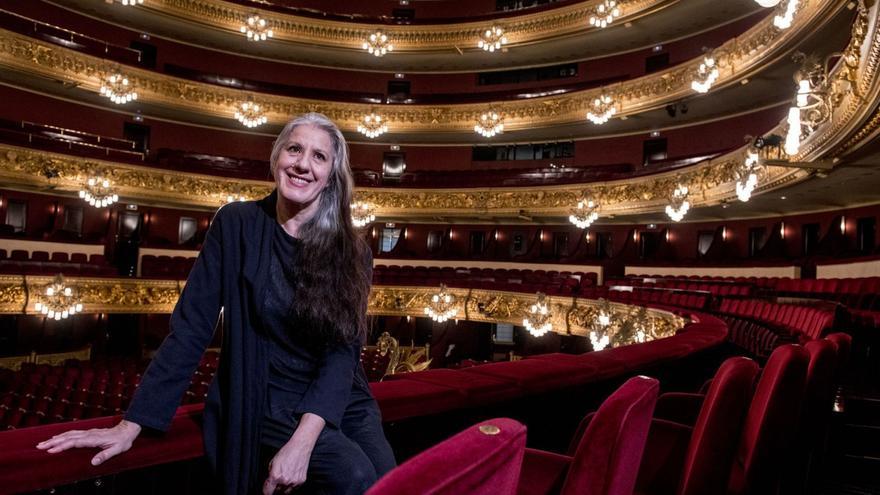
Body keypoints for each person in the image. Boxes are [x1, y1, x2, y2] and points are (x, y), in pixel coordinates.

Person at [37, 113, 396, 494]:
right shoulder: (236, 223)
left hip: (336, 393)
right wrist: (132, 423)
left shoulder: (352, 250)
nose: (302, 164)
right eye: (294, 149)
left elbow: (342, 356)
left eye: (319, 157)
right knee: (354, 475)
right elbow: (191, 327)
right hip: (268, 392)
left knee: (393, 481)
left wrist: (304, 441)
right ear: (276, 159)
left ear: (331, 175)